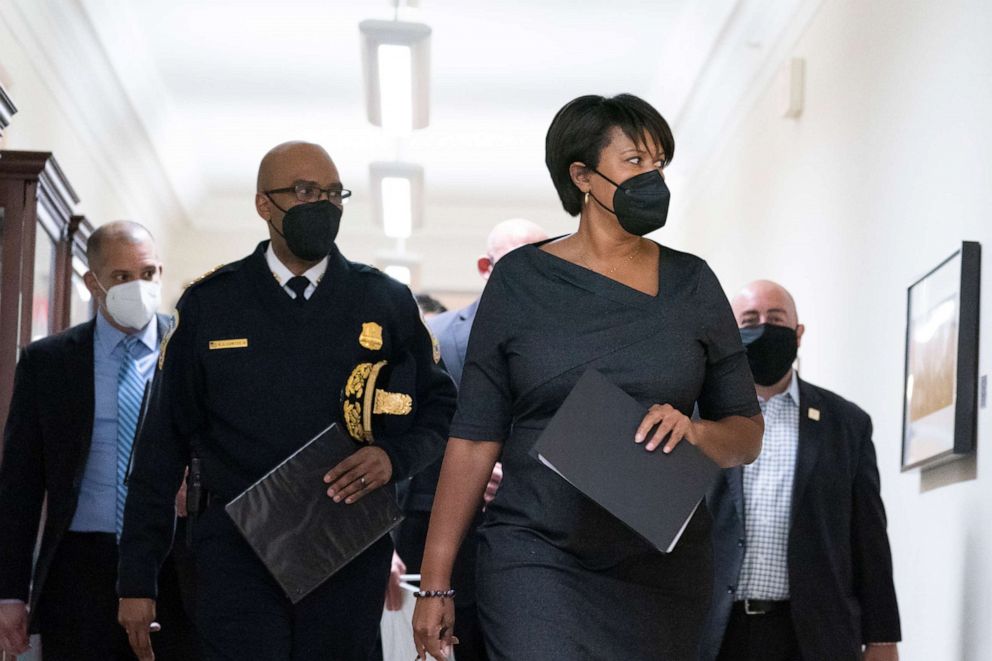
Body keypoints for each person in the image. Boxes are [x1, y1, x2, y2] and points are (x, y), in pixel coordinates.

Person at [412, 94, 764, 661]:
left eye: (659, 164)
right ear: (582, 176)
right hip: (536, 552)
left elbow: (746, 432)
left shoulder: (693, 284)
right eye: (635, 162)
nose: (653, 177)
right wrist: (435, 581)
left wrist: (696, 434)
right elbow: (475, 436)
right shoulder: (519, 281)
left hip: (660, 566)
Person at [116, 141, 457, 660]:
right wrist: (136, 578)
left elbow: (440, 409)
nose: (322, 204)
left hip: (345, 549)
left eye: (332, 193)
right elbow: (162, 444)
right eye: (303, 191)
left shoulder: (384, 301)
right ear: (264, 205)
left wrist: (395, 458)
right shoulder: (212, 303)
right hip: (233, 556)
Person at [0, 221, 196, 659]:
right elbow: (19, 486)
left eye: (147, 274)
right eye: (122, 278)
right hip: (81, 567)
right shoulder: (47, 364)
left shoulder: (189, 352)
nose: (138, 287)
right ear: (93, 282)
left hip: (173, 564)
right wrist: (9, 595)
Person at [700, 280, 901, 661]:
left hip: (814, 636)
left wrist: (883, 637)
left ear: (798, 333)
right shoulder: (699, 417)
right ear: (730, 334)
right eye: (750, 319)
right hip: (715, 635)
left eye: (775, 318)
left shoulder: (846, 425)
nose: (763, 327)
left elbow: (869, 538)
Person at [397, 218, 548, 661]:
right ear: (486, 266)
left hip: (538, 544)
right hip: (445, 542)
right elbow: (410, 430)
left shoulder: (570, 342)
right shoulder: (435, 336)